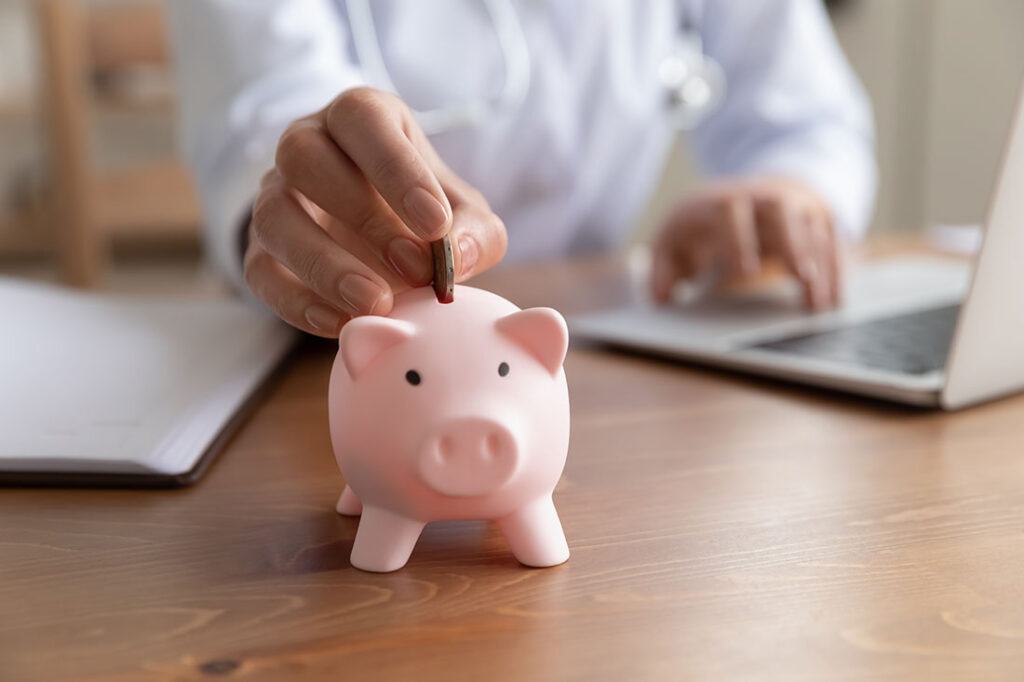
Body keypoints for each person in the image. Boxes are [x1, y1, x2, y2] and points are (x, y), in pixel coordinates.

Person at [167, 0, 875, 337]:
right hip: (321, 361)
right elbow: (266, 114)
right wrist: (304, 195)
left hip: (595, 356)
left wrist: (780, 192)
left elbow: (810, 120)